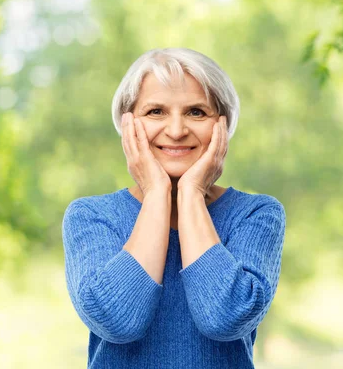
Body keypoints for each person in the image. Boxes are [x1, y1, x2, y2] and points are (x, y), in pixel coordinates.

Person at [62, 48, 286, 369]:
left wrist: (192, 193)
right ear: (128, 125)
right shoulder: (91, 216)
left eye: (196, 112)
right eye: (156, 112)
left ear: (222, 125)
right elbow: (117, 321)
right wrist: (156, 192)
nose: (177, 130)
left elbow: (224, 318)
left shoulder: (256, 214)